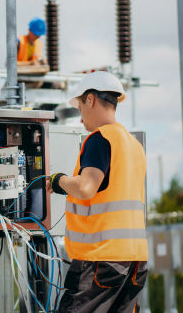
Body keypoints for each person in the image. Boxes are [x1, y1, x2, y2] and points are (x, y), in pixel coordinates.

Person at [47, 71, 148, 313]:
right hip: (135, 260)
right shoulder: (134, 145)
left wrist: (58, 180)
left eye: (80, 107)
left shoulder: (99, 138)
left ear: (90, 100)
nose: (81, 118)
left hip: (102, 259)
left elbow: (85, 187)